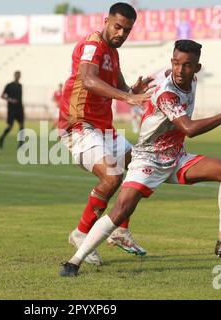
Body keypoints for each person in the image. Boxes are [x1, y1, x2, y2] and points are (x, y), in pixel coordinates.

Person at [60, 39, 221, 277]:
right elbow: (189, 129)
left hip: (176, 158)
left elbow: (170, 79)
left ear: (197, 68)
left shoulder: (190, 80)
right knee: (121, 209)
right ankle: (74, 261)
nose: (179, 70)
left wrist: (138, 87)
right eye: (175, 64)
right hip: (148, 161)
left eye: (186, 65)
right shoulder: (167, 95)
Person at [58, 2, 155, 266]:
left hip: (103, 128)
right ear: (105, 21)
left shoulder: (112, 52)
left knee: (141, 165)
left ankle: (121, 231)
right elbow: (89, 79)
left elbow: (121, 87)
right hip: (79, 125)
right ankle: (81, 234)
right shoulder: (92, 46)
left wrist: (133, 90)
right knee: (112, 177)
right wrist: (126, 96)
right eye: (118, 26)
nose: (121, 33)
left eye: (127, 29)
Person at [0, 71, 24, 149]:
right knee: (10, 126)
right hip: (12, 109)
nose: (18, 76)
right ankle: (2, 137)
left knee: (22, 126)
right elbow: (2, 96)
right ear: (14, 75)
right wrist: (11, 100)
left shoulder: (20, 86)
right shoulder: (9, 85)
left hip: (19, 109)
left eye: (19, 75)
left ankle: (20, 144)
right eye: (17, 75)